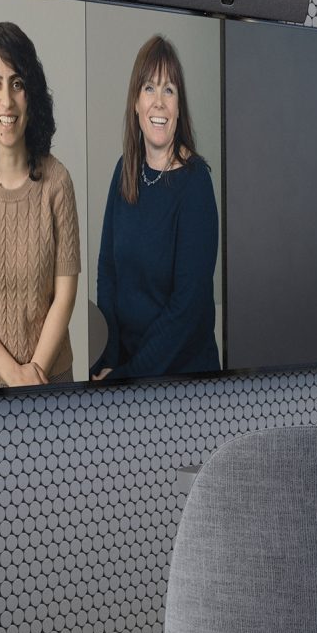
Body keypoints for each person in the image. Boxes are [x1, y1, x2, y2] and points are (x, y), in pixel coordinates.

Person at [0, 22, 79, 389]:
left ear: (31, 95)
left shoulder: (58, 182)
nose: (6, 101)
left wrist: (33, 372)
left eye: (17, 84)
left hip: (50, 376)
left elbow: (65, 294)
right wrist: (12, 374)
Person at [92, 36, 220, 380]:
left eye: (169, 90)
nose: (159, 103)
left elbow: (187, 310)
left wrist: (127, 375)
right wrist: (110, 358)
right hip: (126, 370)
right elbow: (108, 273)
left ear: (180, 106)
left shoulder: (195, 186)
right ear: (136, 102)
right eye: (149, 88)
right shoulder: (126, 170)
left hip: (183, 376)